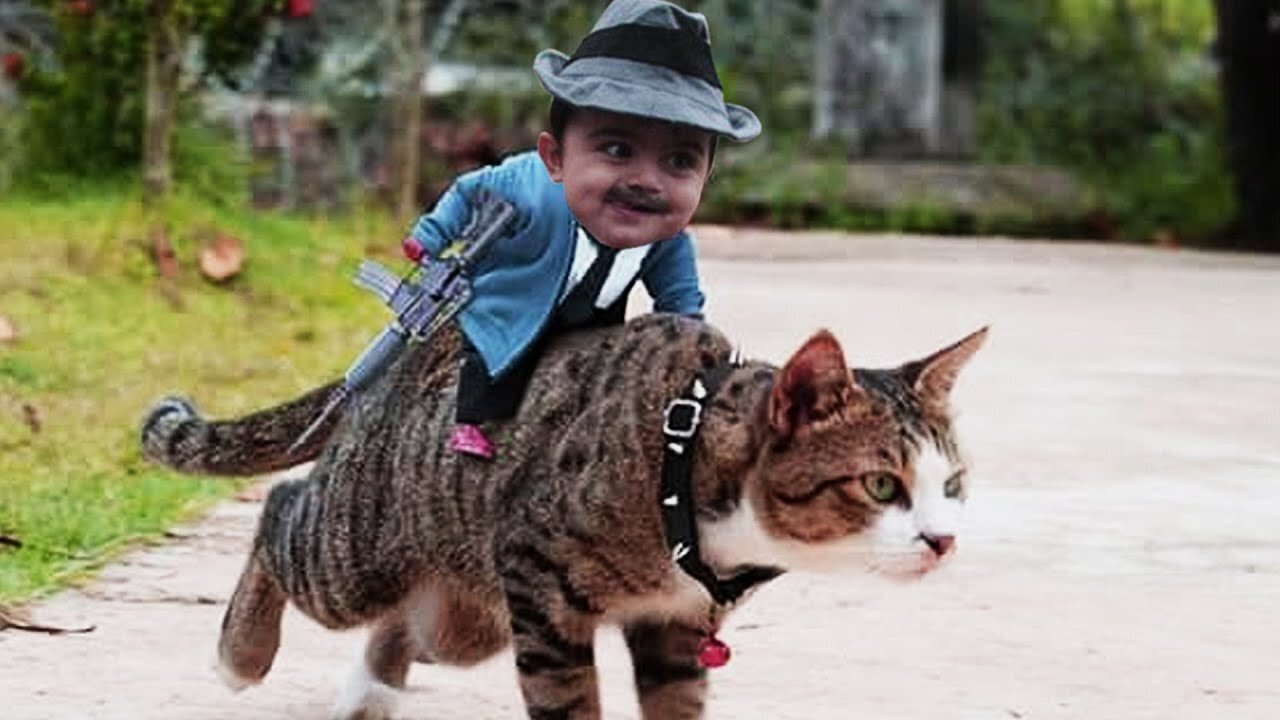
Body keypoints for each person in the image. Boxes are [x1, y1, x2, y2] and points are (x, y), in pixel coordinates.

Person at [403, 0, 761, 459]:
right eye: (617, 149)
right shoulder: (525, 188)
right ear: (556, 158)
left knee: (596, 370)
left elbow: (681, 304)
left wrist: (693, 353)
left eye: (679, 161)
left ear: (706, 178)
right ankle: (472, 420)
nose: (646, 181)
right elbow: (470, 191)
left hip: (592, 319)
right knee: (494, 359)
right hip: (516, 301)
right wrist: (430, 236)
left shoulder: (666, 241)